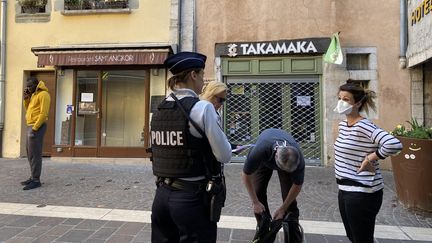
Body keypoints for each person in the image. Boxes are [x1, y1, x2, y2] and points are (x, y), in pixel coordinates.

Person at [150, 52, 232, 242]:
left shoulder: (160, 108)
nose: (203, 81)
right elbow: (224, 155)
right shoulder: (203, 108)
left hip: (161, 197)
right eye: (202, 74)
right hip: (191, 199)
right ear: (193, 75)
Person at [334, 83, 403, 243]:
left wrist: (371, 158)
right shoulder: (343, 125)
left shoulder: (364, 126)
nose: (341, 102)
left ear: (357, 103)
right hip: (344, 189)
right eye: (339, 98)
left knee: (362, 239)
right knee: (353, 236)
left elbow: (394, 144)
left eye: (346, 99)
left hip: (362, 192)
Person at [242, 128, 305, 240]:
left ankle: (293, 235)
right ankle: (263, 230)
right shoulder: (259, 151)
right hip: (264, 159)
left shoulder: (297, 158)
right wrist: (255, 202)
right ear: (275, 157)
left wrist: (283, 208)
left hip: (285, 161)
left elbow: (297, 185)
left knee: (289, 201)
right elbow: (246, 175)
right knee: (258, 192)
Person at [22, 77, 51, 190]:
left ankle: (36, 180)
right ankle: (32, 176)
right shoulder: (33, 95)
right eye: (27, 86)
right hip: (31, 126)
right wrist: (26, 98)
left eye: (30, 86)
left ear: (36, 85)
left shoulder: (44, 94)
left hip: (37, 127)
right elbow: (28, 109)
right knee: (30, 153)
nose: (28, 88)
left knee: (35, 154)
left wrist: (35, 128)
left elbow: (43, 113)